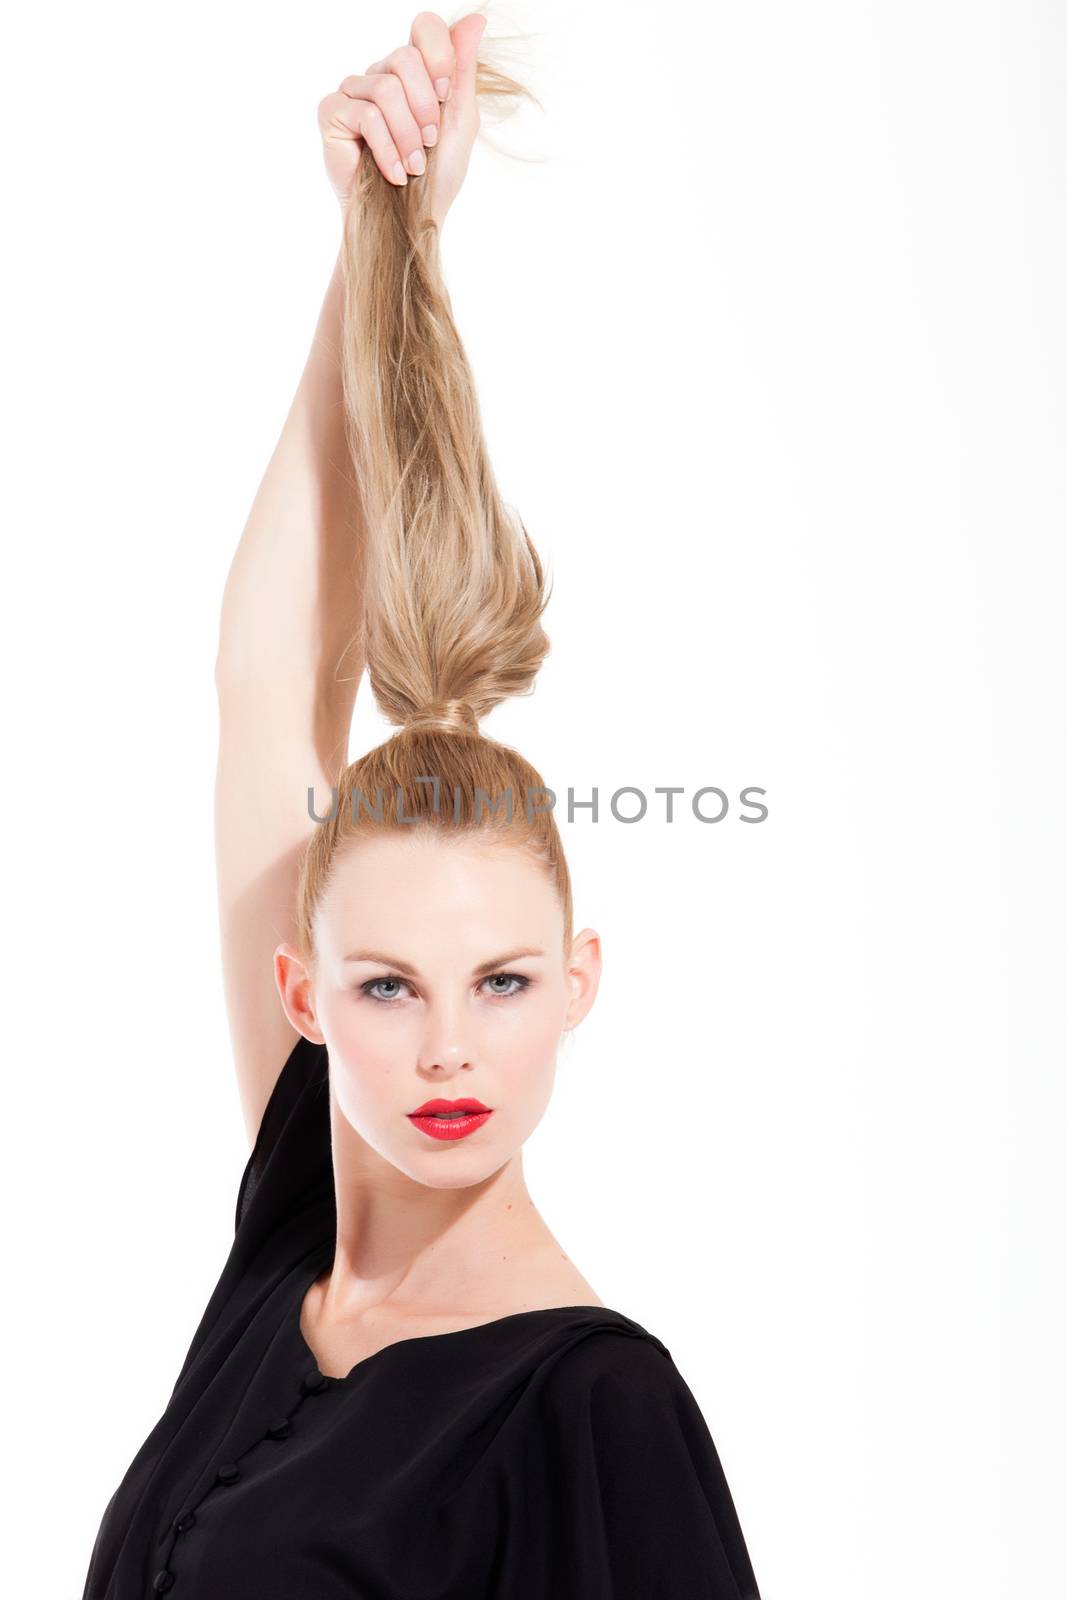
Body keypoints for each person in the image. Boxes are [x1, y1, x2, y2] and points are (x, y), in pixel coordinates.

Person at [80, 11, 762, 1597]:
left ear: (577, 981)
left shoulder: (596, 1410)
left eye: (502, 982)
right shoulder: (291, 1249)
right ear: (306, 996)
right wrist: (382, 239)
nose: (449, 1048)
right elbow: (264, 681)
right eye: (389, 987)